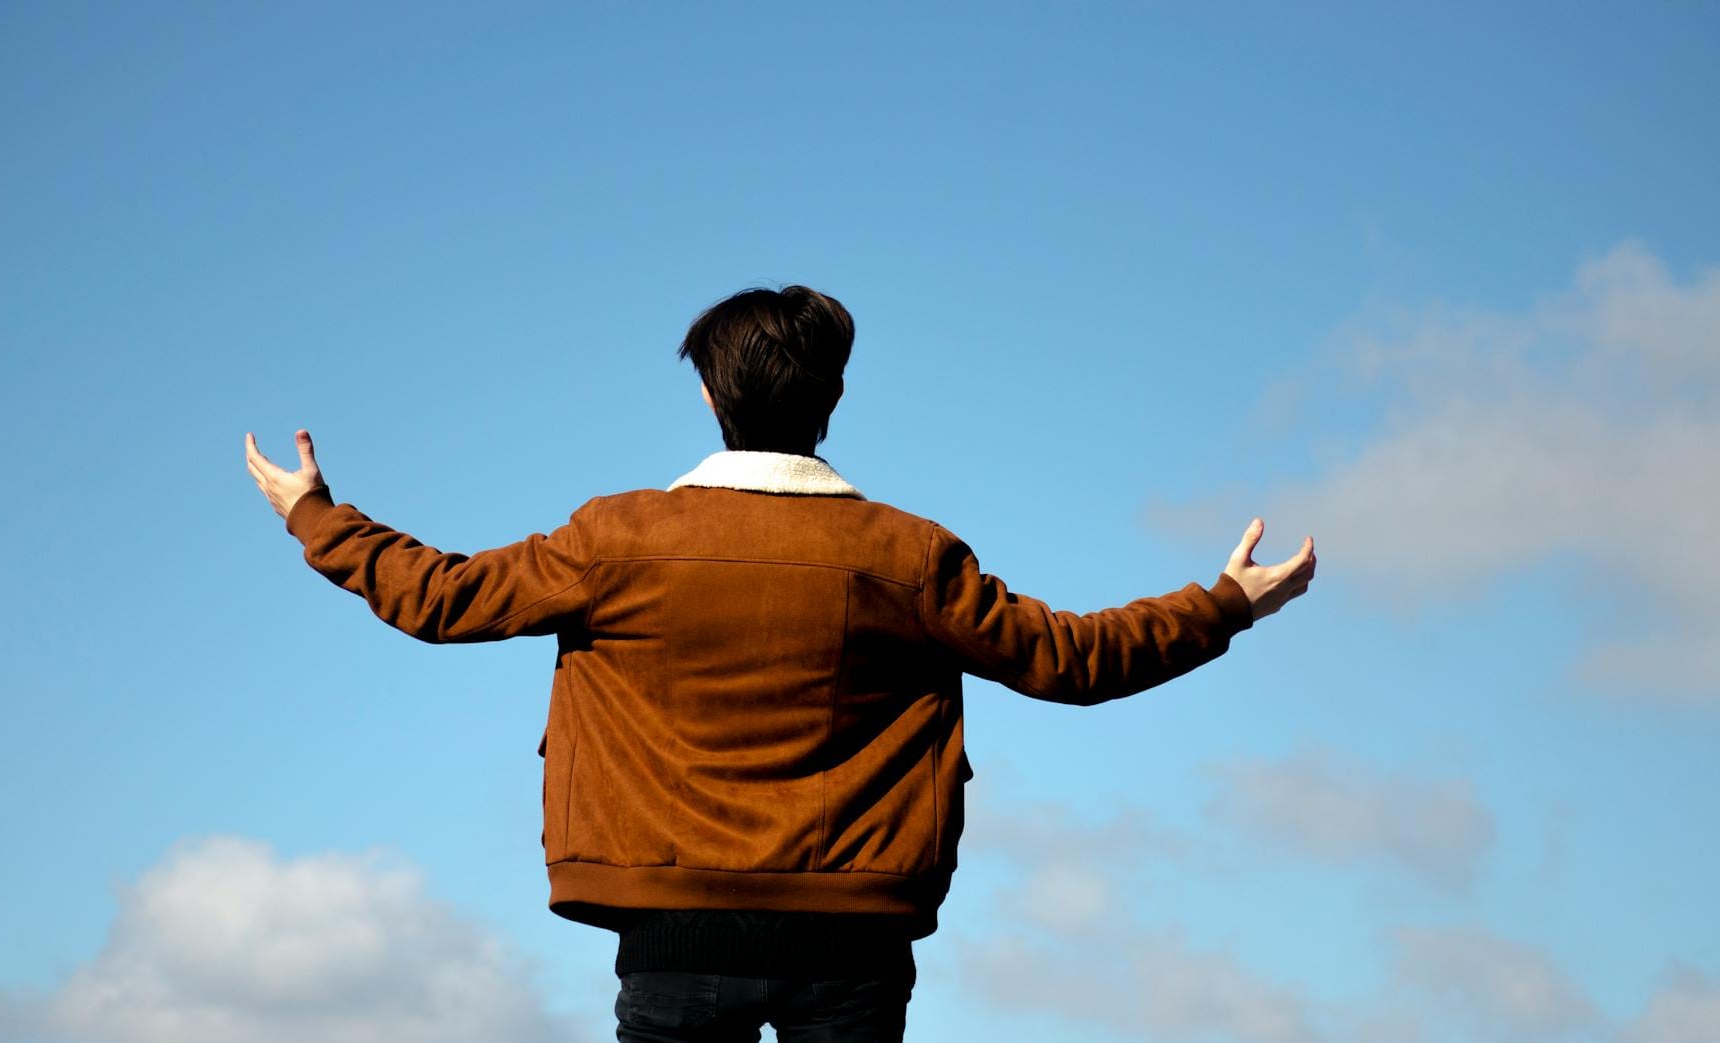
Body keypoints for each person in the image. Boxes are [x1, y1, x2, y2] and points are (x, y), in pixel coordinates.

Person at [244, 285, 1316, 1042]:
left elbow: (438, 596)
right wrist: (1223, 602)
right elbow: (1070, 659)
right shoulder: (906, 556)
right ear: (831, 401)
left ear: (710, 400)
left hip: (670, 926)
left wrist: (317, 515)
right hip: (853, 936)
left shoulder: (615, 539)